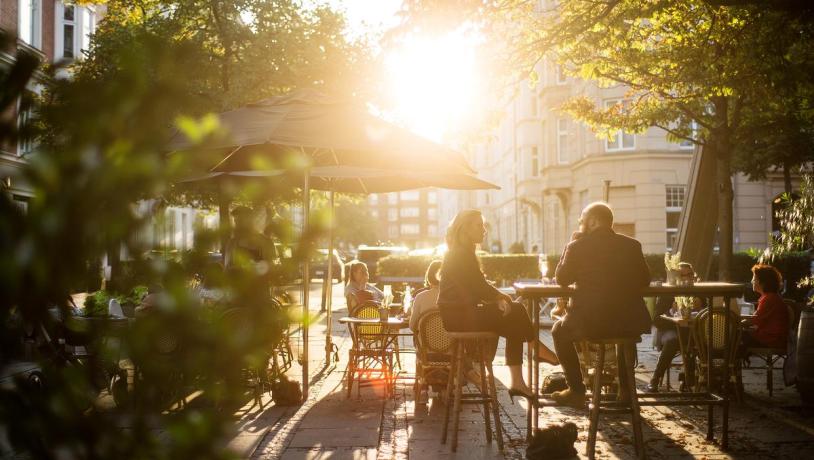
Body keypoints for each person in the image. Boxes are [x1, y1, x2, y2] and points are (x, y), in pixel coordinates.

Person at [437, 209, 559, 406]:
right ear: (465, 229)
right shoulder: (460, 253)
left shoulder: (461, 251)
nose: (484, 230)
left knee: (514, 323)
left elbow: (474, 287)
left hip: (459, 314)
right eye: (479, 225)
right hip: (458, 316)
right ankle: (533, 349)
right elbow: (478, 286)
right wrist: (499, 297)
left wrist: (497, 299)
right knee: (517, 310)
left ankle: (520, 379)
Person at [550, 202, 651, 408]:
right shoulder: (632, 245)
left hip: (590, 323)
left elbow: (561, 278)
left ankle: (577, 391)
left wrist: (570, 244)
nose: (580, 225)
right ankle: (626, 392)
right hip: (629, 322)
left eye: (582, 221)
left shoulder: (577, 246)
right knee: (624, 337)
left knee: (558, 330)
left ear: (593, 221)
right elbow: (644, 280)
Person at [647, 262, 701, 392]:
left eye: (690, 275)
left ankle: (694, 379)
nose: (687, 278)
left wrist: (700, 309)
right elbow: (656, 320)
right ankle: (655, 378)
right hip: (669, 330)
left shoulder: (699, 292)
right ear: (676, 277)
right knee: (674, 341)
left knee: (700, 340)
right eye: (683, 275)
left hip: (692, 331)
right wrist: (672, 312)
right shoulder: (668, 292)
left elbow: (708, 312)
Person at [741, 264, 789, 350]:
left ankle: (731, 361)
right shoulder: (771, 297)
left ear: (763, 282)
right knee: (738, 335)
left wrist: (736, 322)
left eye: (754, 278)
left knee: (735, 336)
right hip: (773, 339)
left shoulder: (769, 299)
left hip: (770, 340)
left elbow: (754, 320)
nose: (752, 281)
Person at [224, 206, 277, 272]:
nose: (237, 223)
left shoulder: (266, 242)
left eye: (241, 220)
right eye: (235, 221)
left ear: (250, 220)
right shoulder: (232, 243)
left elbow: (272, 268)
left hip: (260, 281)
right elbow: (227, 269)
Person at [409, 260, 442, 332]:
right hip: (451, 342)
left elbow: (412, 326)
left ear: (429, 276)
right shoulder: (454, 298)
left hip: (425, 342)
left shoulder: (420, 297)